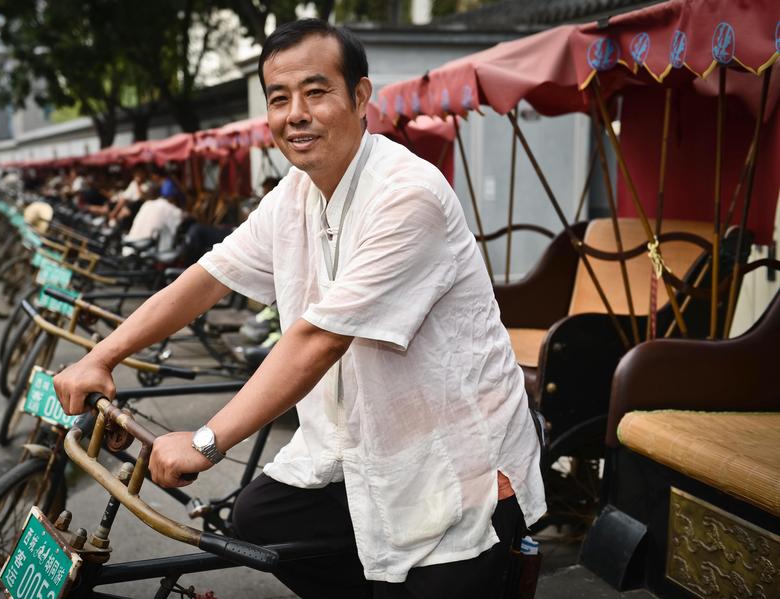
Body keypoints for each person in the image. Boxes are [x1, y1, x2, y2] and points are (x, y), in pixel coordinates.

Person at [55, 19, 545, 599]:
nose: (296, 114)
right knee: (259, 519)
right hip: (357, 451)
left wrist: (208, 441)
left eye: (316, 92)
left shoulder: (409, 194)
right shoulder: (294, 194)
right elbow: (207, 278)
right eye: (279, 99)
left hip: (453, 469)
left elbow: (318, 340)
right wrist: (103, 355)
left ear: (361, 98)